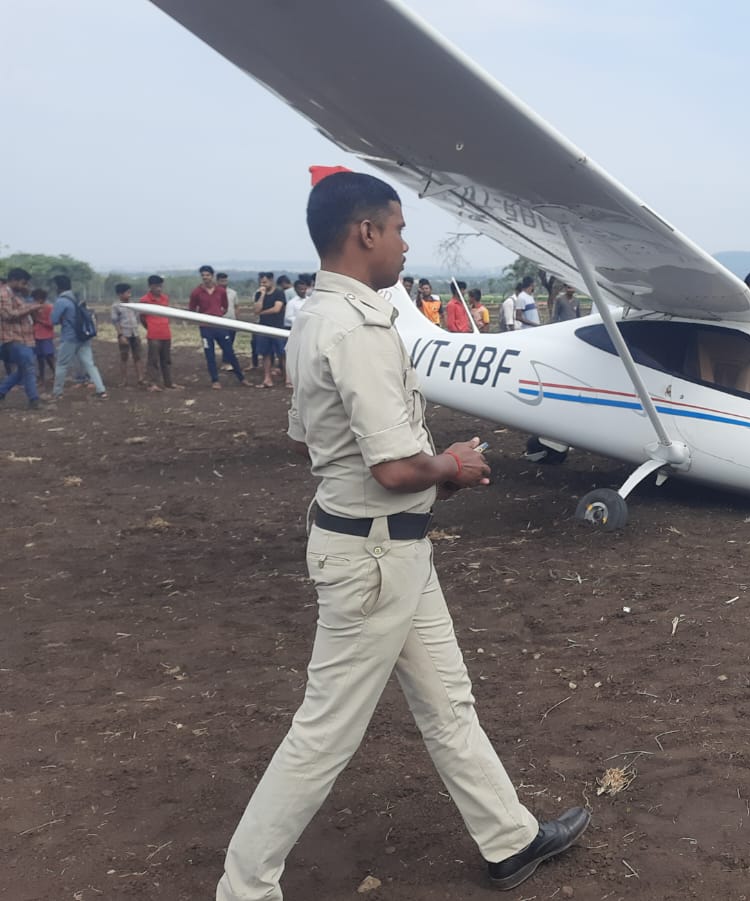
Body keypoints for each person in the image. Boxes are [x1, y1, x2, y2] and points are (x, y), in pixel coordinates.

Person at [214, 169, 588, 901]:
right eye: (399, 228)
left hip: (387, 548)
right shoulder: (355, 328)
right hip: (376, 552)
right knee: (324, 733)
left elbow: (306, 443)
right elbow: (392, 468)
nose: (405, 244)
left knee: (448, 699)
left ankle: (508, 839)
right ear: (366, 233)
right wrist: (454, 463)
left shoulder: (317, 318)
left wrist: (420, 469)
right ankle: (244, 887)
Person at [49, 275, 107, 400]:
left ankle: (57, 392)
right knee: (89, 364)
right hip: (83, 336)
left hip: (70, 337)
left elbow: (53, 320)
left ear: (58, 287)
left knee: (61, 364)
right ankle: (101, 390)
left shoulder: (61, 301)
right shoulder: (76, 298)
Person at [190, 265, 247, 389]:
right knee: (209, 353)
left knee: (229, 352)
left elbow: (225, 306)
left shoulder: (220, 290)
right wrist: (202, 319)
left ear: (212, 275)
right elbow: (192, 309)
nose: (205, 278)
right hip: (205, 327)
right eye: (203, 275)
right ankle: (215, 380)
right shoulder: (196, 292)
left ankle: (241, 378)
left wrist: (218, 316)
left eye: (207, 275)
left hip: (219, 326)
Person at [0, 267, 45, 409]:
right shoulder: (3, 294)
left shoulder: (17, 294)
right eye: (23, 283)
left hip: (23, 337)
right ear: (13, 280)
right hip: (12, 337)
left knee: (23, 369)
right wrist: (31, 308)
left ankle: (1, 392)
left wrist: (28, 299)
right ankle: (34, 400)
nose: (25, 286)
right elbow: (8, 315)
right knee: (28, 366)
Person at [140, 275, 178, 391]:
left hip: (166, 333)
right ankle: (152, 383)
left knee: (166, 360)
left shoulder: (165, 298)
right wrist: (150, 327)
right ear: (150, 286)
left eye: (160, 286)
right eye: (156, 286)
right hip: (154, 335)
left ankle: (168, 382)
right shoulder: (144, 300)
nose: (159, 289)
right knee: (153, 360)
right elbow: (142, 318)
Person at [109, 282, 145, 388]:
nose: (129, 295)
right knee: (124, 357)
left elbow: (136, 318)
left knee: (138, 356)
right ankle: (124, 380)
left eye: (130, 292)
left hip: (135, 333)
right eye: (127, 293)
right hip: (125, 334)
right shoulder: (116, 306)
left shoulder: (132, 305)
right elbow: (115, 322)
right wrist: (121, 335)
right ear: (120, 294)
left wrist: (138, 333)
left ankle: (140, 378)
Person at [255, 273, 287, 387]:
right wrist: (262, 295)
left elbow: (276, 308)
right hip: (263, 328)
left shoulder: (279, 293)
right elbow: (256, 308)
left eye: (265, 281)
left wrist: (262, 313)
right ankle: (267, 378)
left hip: (277, 327)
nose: (263, 284)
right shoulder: (258, 294)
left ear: (271, 281)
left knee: (282, 354)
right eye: (261, 282)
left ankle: (288, 378)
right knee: (266, 354)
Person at [30, 286, 56, 384]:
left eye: (36, 298)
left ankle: (56, 374)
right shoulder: (34, 308)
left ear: (41, 298)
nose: (35, 301)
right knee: (39, 357)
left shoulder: (49, 308)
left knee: (49, 356)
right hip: (36, 335)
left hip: (46, 335)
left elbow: (51, 323)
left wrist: (38, 319)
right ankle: (41, 377)